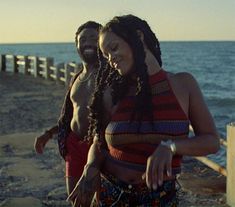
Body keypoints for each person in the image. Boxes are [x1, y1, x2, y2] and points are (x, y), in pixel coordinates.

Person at [68, 14, 220, 206]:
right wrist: (90, 166)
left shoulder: (183, 84)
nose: (111, 59)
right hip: (112, 195)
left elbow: (212, 141)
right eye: (105, 55)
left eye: (114, 48)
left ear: (139, 38)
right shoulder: (111, 92)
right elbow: (99, 141)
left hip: (160, 199)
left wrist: (171, 147)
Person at [34, 21, 105, 205]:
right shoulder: (77, 77)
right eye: (83, 39)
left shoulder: (110, 76)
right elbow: (69, 116)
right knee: (77, 202)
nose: (88, 42)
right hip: (73, 145)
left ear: (102, 42)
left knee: (102, 201)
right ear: (77, 45)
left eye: (94, 38)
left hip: (99, 149)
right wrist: (48, 133)